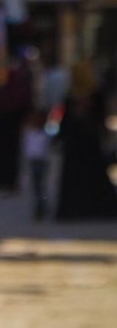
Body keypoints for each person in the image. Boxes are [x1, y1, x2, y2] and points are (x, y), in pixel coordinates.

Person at [55, 70, 117, 220]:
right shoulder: (71, 97)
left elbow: (100, 119)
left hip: (88, 146)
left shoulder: (95, 96)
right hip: (76, 147)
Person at [0, 60, 32, 194]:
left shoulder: (4, 91)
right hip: (12, 129)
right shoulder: (17, 90)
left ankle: (4, 181)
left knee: (3, 155)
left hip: (4, 128)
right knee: (11, 156)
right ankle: (9, 181)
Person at [23, 109, 52, 221]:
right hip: (33, 161)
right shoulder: (30, 133)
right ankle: (39, 207)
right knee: (35, 186)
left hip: (42, 162)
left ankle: (42, 207)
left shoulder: (45, 134)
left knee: (40, 186)